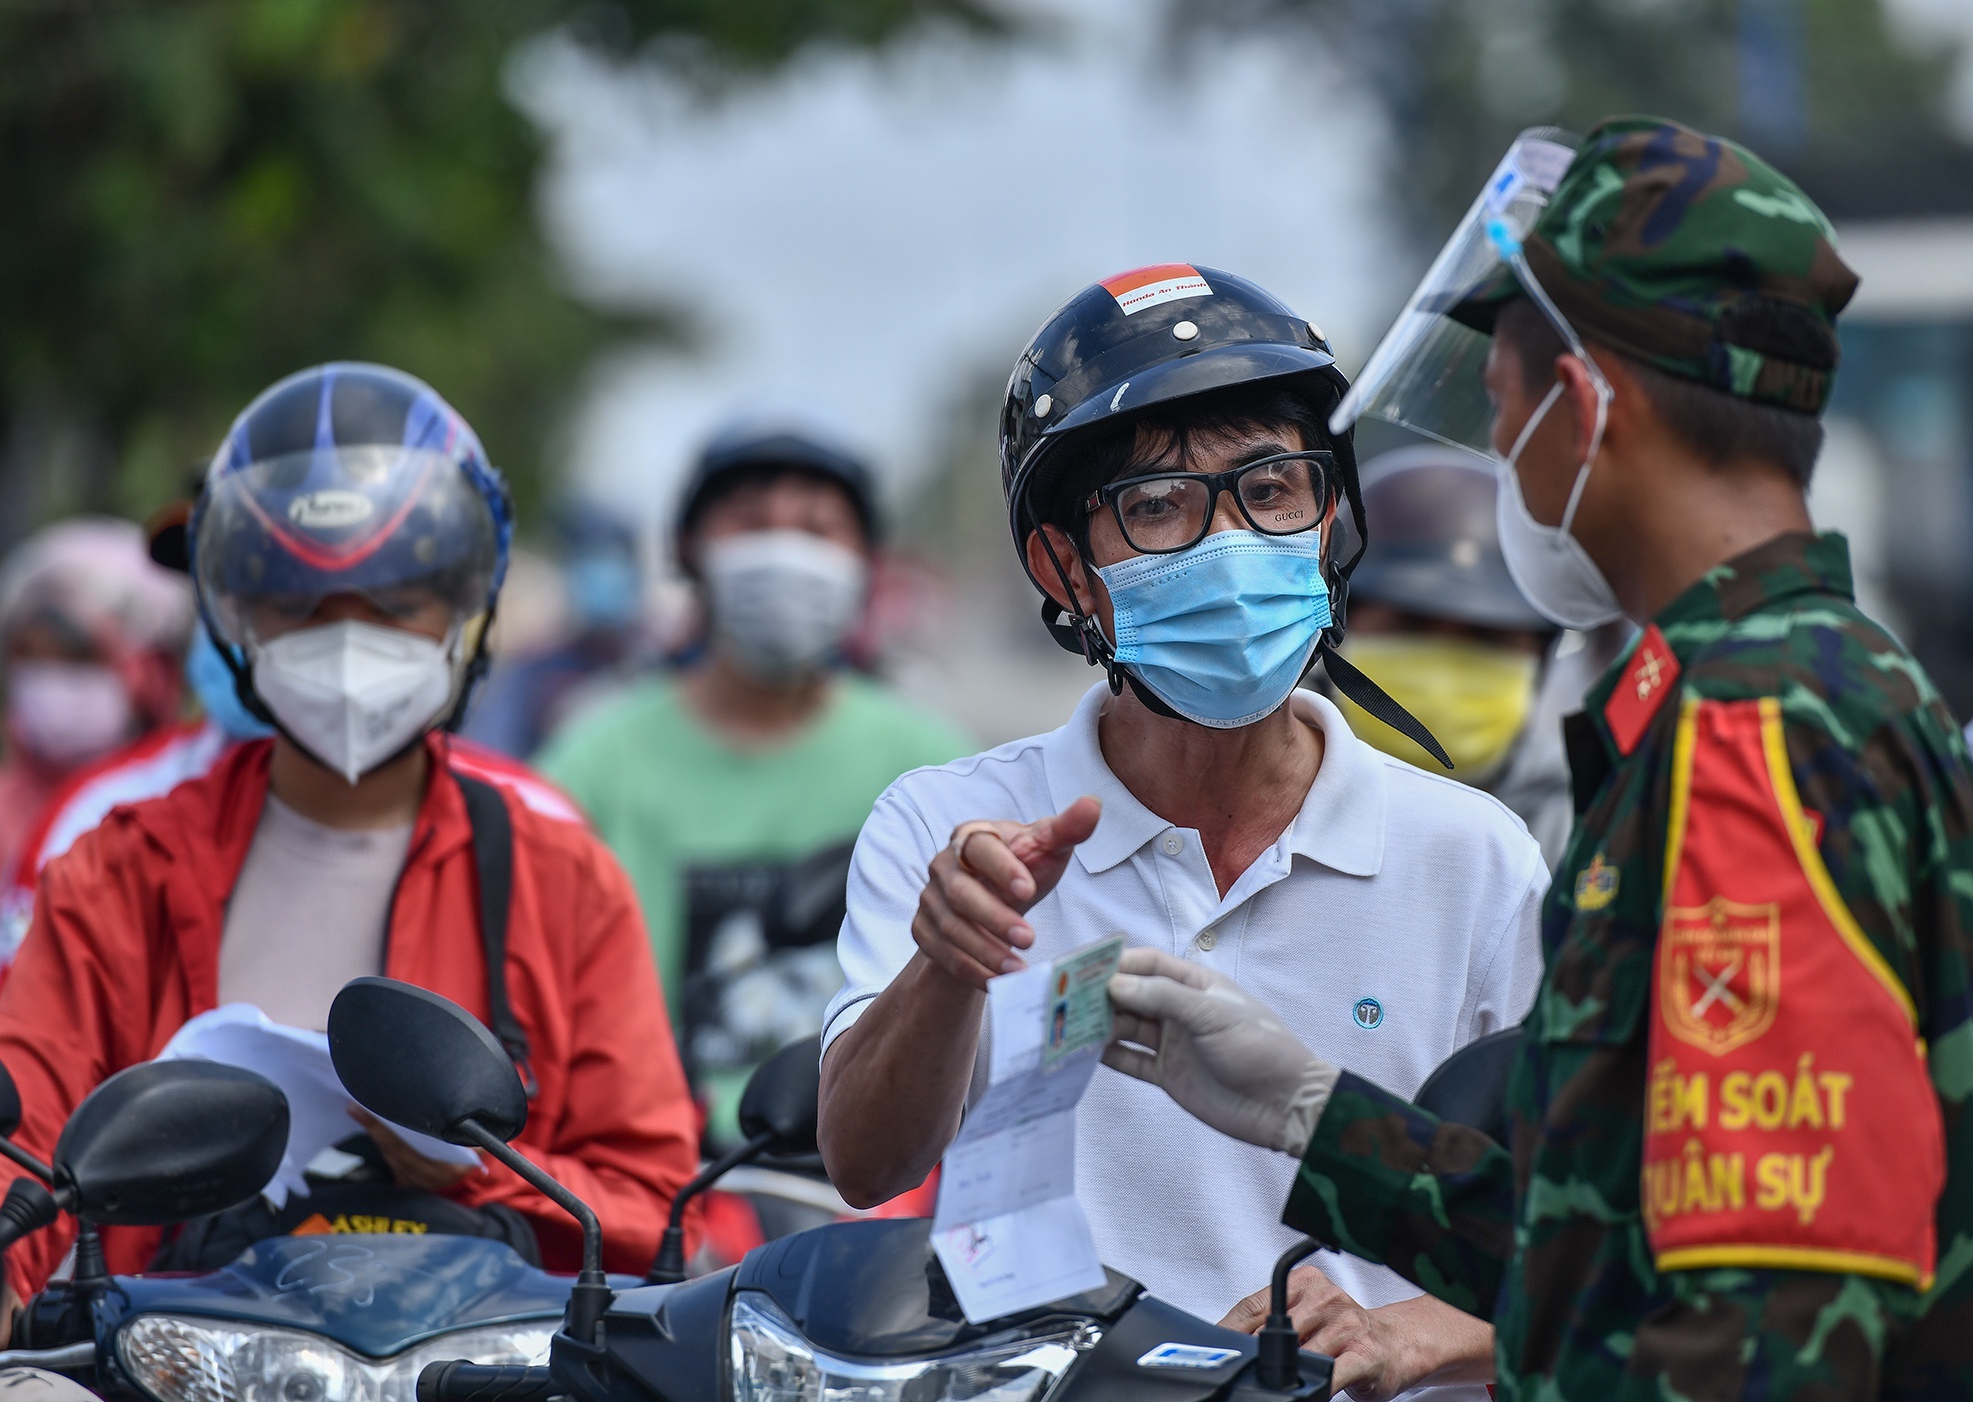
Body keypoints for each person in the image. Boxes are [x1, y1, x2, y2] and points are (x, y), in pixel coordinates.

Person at [1102, 119, 1973, 1398]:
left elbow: (1771, 1305)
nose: (1498, 458)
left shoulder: (1757, 729)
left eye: (1499, 411)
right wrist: (1307, 1111)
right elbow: (1607, 1237)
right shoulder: (1796, 688)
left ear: (1583, 405)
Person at [816, 264, 1546, 1400]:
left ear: (1330, 518)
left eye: (1269, 488)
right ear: (1065, 567)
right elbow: (863, 1163)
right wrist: (945, 965)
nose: (1227, 543)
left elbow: (1599, 1263)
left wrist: (1402, 1331)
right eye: (1155, 506)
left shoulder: (1473, 859)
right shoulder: (947, 826)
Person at [0, 364, 700, 1333]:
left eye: (393, 602)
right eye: (300, 605)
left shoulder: (563, 881)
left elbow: (657, 1204)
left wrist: (488, 1175)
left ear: (468, 609)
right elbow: (16, 1131)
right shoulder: (120, 871)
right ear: (235, 617)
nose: (345, 643)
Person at [536, 424, 969, 1153]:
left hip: (879, 1173)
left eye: (817, 528)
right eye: (750, 523)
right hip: (653, 1172)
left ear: (866, 562)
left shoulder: (930, 762)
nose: (784, 552)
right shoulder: (591, 761)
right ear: (688, 550)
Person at [0, 506, 584, 1002]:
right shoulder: (101, 817)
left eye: (373, 602)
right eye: (285, 604)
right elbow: (25, 1088)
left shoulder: (534, 828)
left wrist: (469, 1154)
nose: (336, 642)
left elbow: (625, 1126)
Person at [0, 518, 192, 965]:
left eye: (80, 659)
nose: (52, 683)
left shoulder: (196, 806)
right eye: (32, 658)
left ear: (151, 673)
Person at [1331, 445, 1571, 860]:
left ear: (1539, 651)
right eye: (1412, 624)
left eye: (1484, 635)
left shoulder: (1587, 835)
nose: (1445, 662)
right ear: (1337, 622)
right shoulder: (1244, 799)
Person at [462, 498, 651, 759]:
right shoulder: (534, 669)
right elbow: (490, 753)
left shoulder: (655, 669)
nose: (604, 577)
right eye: (590, 560)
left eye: (611, 559)